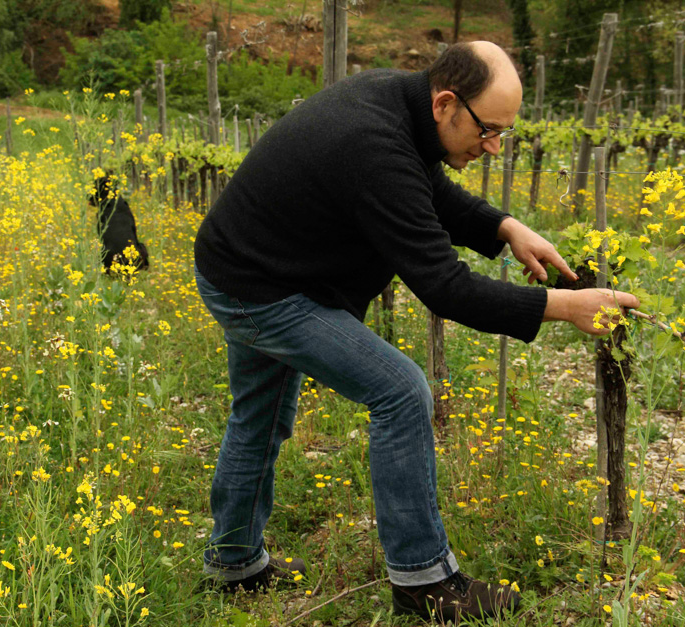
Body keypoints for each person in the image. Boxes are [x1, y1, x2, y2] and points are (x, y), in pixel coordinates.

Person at [192, 41, 639, 623]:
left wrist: (505, 227)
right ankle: (424, 582)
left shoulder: (401, 103)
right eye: (488, 130)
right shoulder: (371, 142)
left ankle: (234, 565)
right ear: (446, 102)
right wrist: (565, 305)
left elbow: (431, 188)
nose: (494, 146)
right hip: (261, 288)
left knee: (261, 412)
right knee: (401, 392)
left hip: (251, 266)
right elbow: (445, 287)